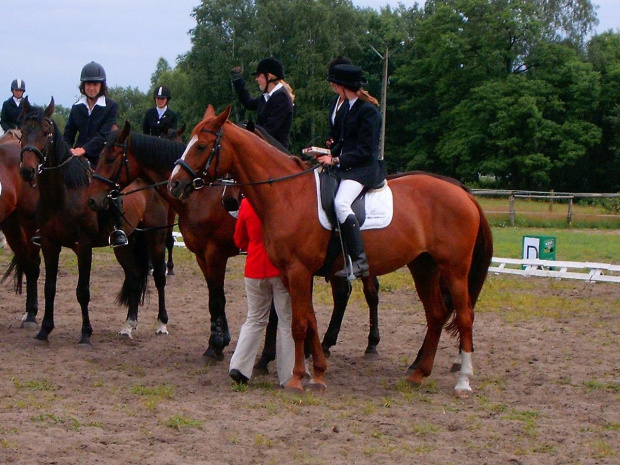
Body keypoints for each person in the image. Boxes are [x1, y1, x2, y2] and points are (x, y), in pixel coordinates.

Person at [317, 63, 384, 279]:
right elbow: (343, 141)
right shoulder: (347, 107)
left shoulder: (369, 111)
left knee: (341, 203)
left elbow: (365, 150)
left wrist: (336, 159)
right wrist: (324, 153)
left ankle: (359, 261)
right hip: (346, 165)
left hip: (363, 169)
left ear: (342, 86)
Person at [229, 198, 294, 387]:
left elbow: (239, 239)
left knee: (254, 319)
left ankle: (239, 366)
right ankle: (288, 375)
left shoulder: (247, 203)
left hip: (254, 268)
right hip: (278, 269)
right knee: (286, 321)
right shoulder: (283, 201)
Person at [64, 61, 126, 247]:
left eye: (95, 84)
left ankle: (118, 228)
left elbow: (104, 134)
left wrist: (84, 150)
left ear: (101, 86)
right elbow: (68, 133)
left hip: (102, 156)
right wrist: (68, 151)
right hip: (76, 156)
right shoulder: (76, 107)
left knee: (113, 187)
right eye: (88, 84)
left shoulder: (110, 106)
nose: (91, 88)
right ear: (83, 86)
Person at [231, 57, 294, 149]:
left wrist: (246, 133)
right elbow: (248, 103)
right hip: (265, 147)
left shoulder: (281, 97)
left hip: (276, 152)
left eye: (258, 76)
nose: (256, 79)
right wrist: (238, 80)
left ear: (268, 76)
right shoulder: (267, 97)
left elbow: (270, 129)